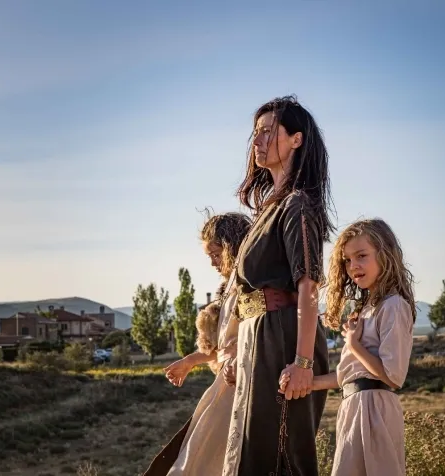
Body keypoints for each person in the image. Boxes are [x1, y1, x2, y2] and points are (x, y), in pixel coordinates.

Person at [221, 95, 334, 476]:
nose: (257, 140)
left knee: (282, 460)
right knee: (254, 456)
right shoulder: (268, 208)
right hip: (259, 337)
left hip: (284, 340)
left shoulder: (297, 204)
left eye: (268, 132)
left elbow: (308, 288)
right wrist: (238, 349)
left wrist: (303, 363)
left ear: (296, 140)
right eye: (256, 132)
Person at [280, 218, 416, 476]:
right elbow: (350, 376)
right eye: (347, 260)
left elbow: (393, 376)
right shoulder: (367, 309)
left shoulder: (394, 305)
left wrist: (353, 345)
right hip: (354, 406)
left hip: (374, 409)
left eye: (361, 256)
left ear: (385, 254)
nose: (353, 266)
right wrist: (302, 382)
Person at [143, 211, 252, 476]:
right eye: (209, 256)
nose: (213, 263)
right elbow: (224, 346)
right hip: (226, 381)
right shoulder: (228, 289)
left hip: (243, 381)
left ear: (232, 247)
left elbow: (255, 337)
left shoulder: (251, 285)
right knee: (199, 457)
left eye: (216, 254)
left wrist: (239, 361)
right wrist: (191, 360)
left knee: (207, 460)